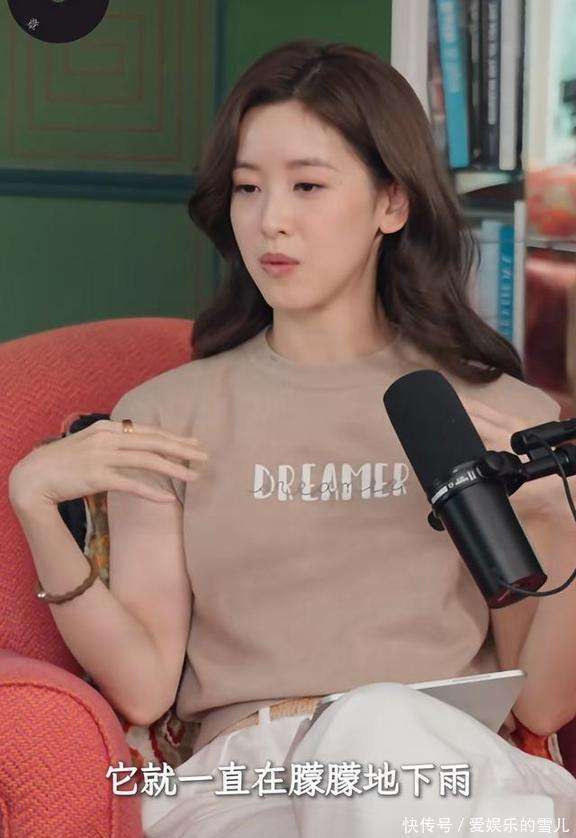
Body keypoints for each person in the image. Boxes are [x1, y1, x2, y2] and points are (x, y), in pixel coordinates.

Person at [9, 40, 576, 836]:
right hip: (249, 784)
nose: (270, 218)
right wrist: (35, 505)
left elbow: (541, 703)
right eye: (248, 188)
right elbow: (142, 687)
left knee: (378, 723)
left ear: (392, 203)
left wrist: (560, 517)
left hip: (445, 768)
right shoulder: (170, 414)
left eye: (308, 185)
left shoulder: (494, 413)